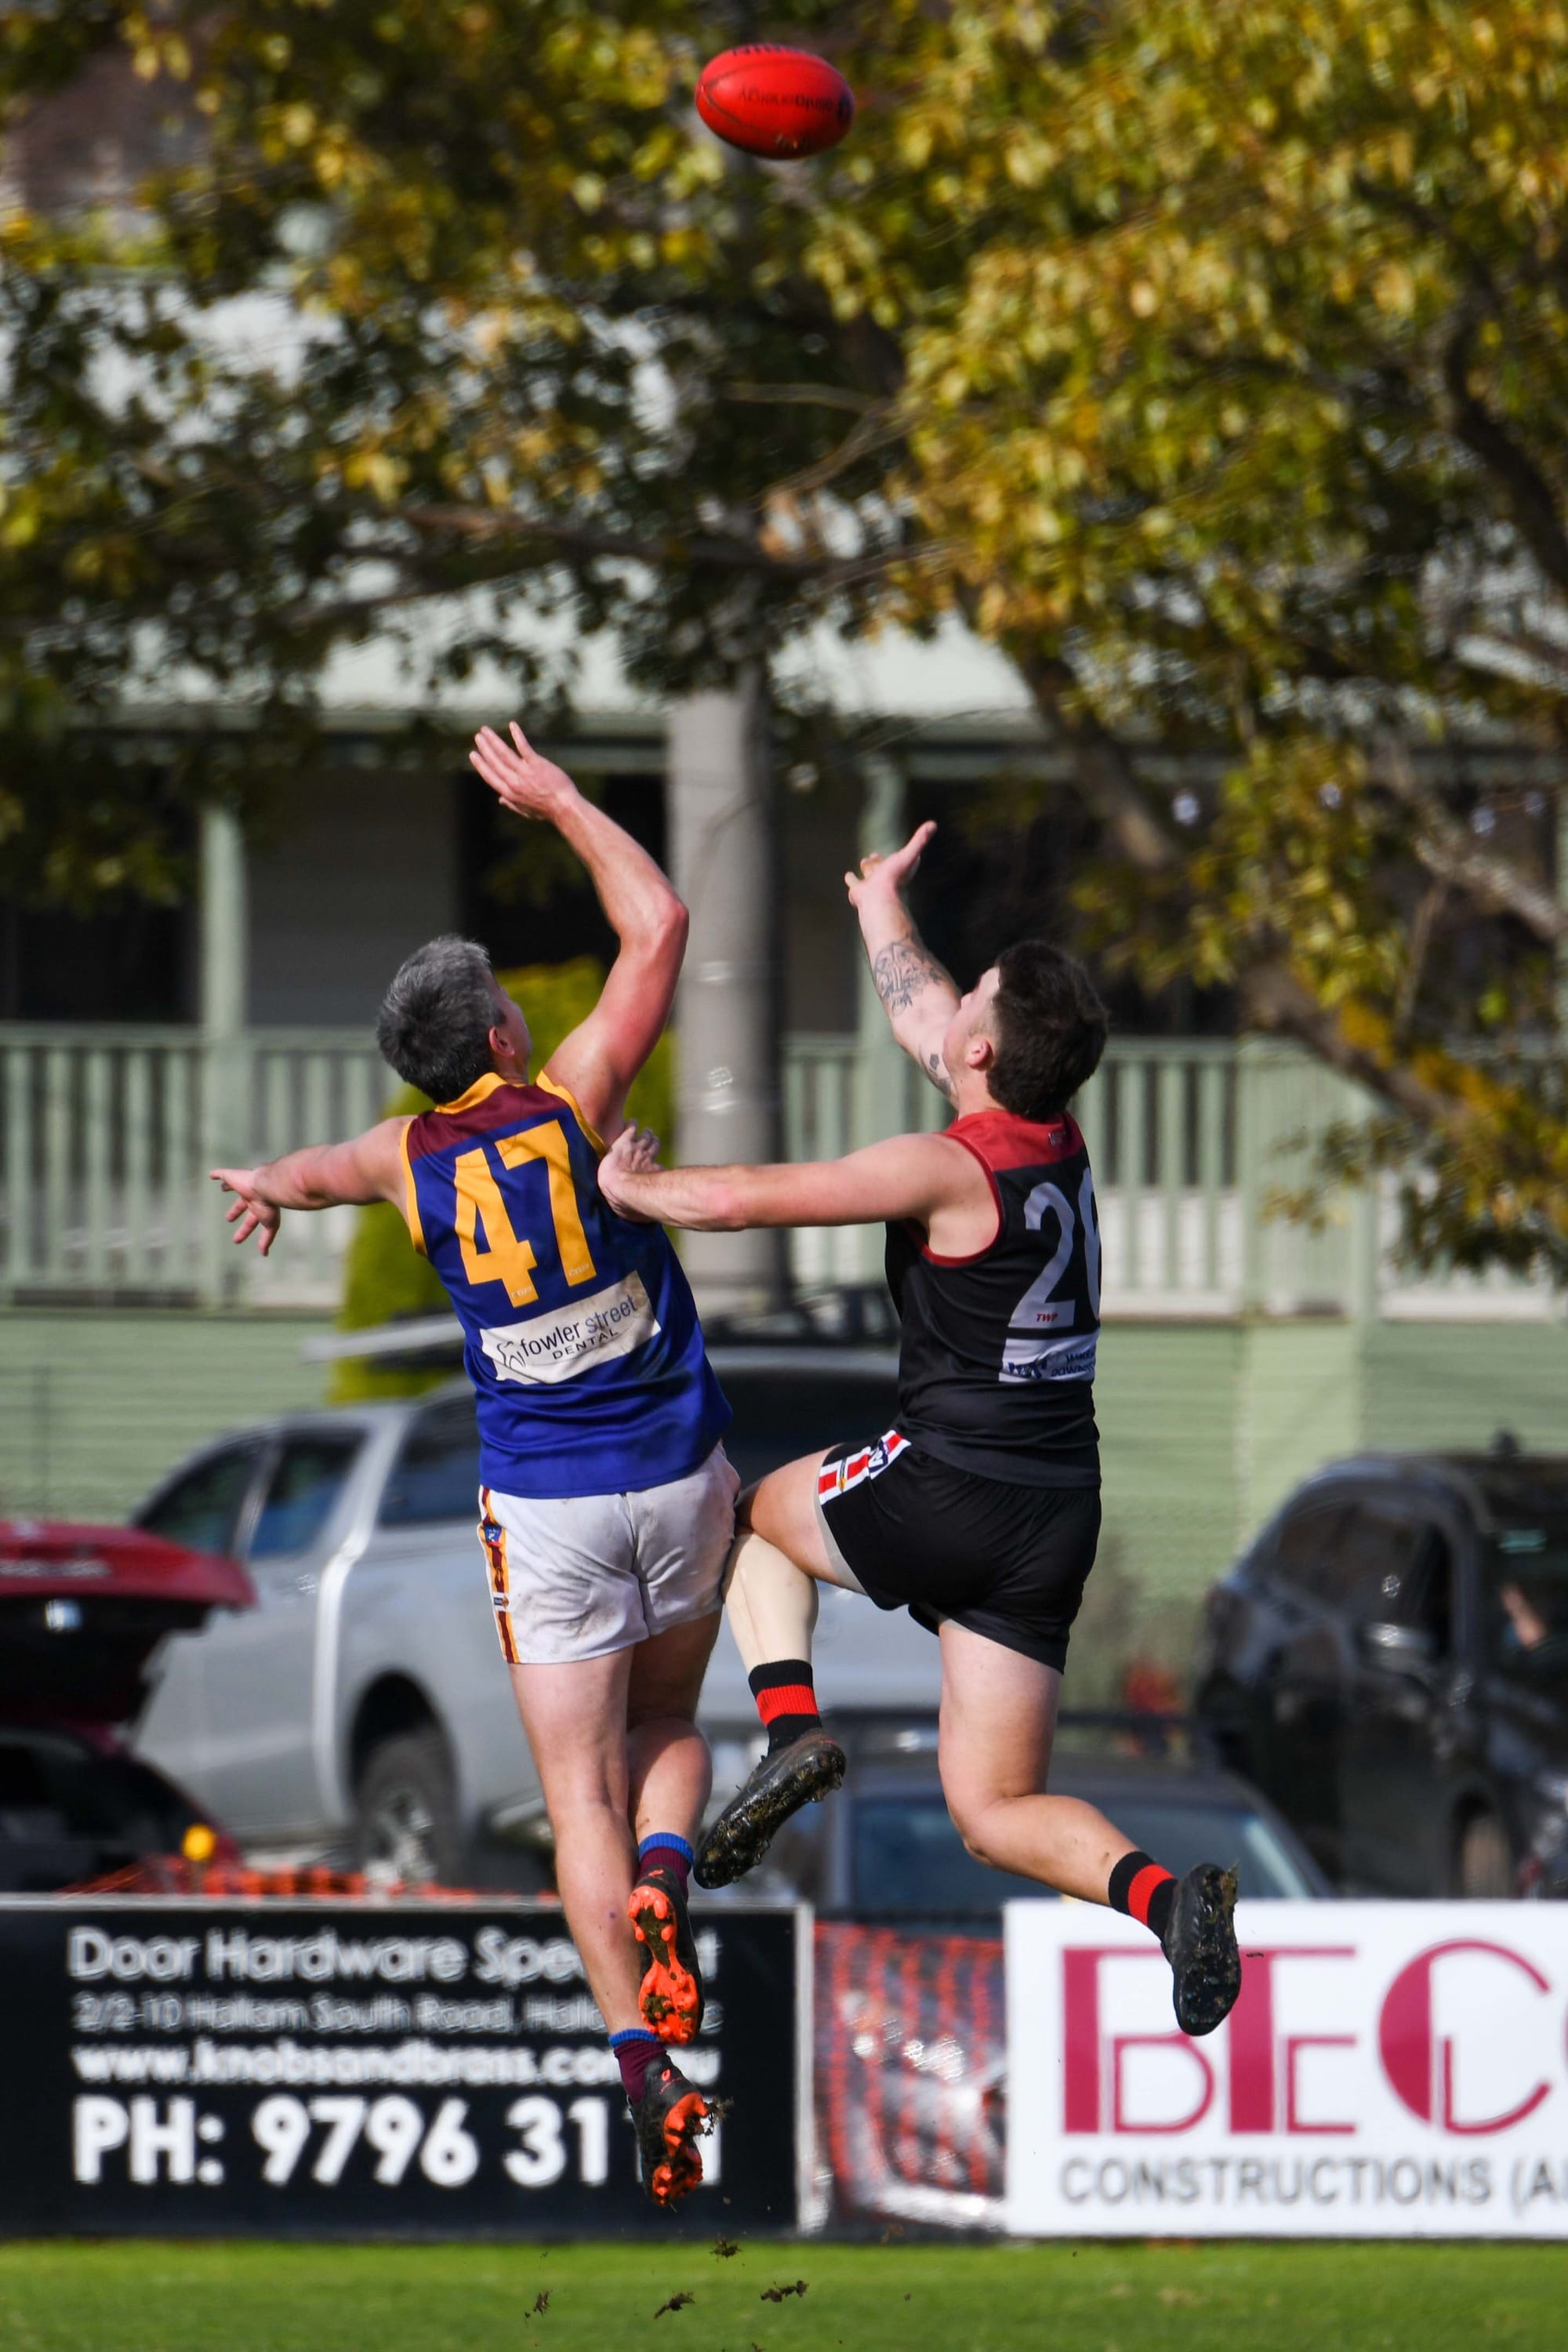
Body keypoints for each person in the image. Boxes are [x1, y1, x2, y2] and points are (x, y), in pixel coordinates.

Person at [598, 822, 1242, 2038]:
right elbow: (928, 1013)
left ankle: (793, 1733)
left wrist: (635, 1190)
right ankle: (1167, 1904)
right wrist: (880, 907)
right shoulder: (1056, 1134)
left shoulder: (947, 1168)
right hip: (1057, 1513)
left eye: (977, 998)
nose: (957, 1009)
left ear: (983, 1051)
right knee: (995, 1810)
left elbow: (744, 1200)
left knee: (751, 1521)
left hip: (955, 1479)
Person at [212, 724, 734, 2201]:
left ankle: (640, 2062)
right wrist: (561, 800)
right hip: (675, 1470)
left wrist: (265, 1187)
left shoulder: (405, 1160)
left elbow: (319, 1173)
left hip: (545, 1509)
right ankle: (669, 1878)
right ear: (503, 1038)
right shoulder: (572, 1102)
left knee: (577, 1795)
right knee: (668, 1725)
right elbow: (660, 922)